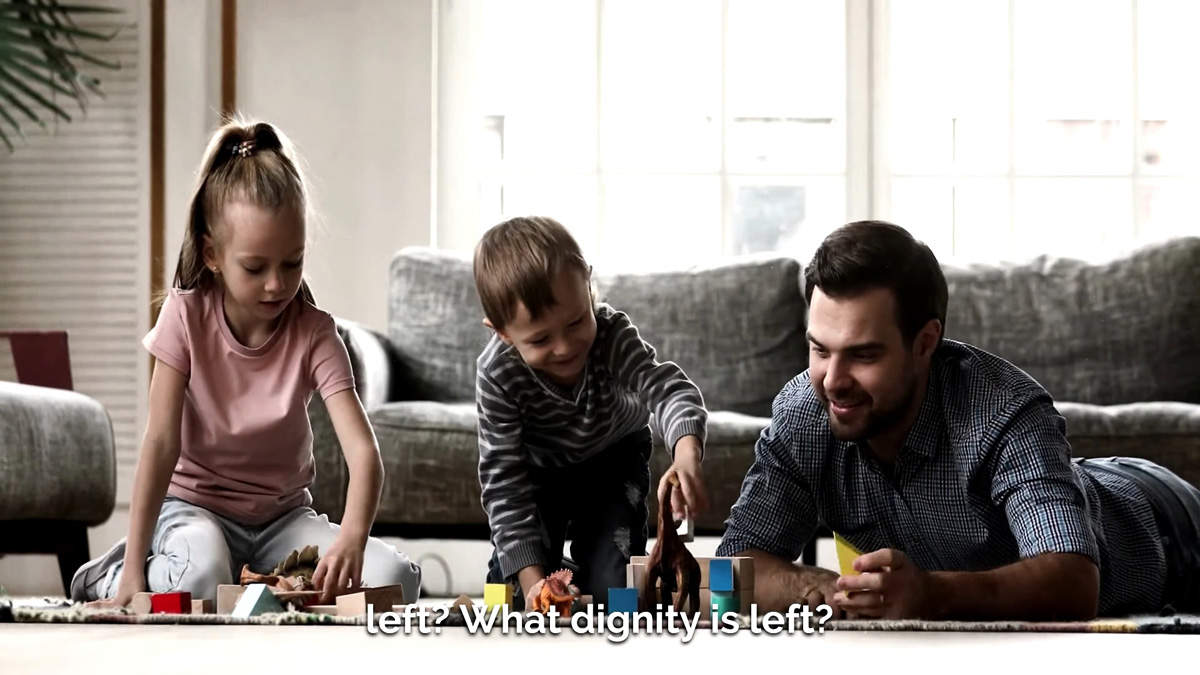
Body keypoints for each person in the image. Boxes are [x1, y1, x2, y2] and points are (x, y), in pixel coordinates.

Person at [716, 220, 1200, 621]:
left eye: (863, 355)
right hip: (1084, 483)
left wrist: (931, 595)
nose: (833, 381)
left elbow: (1073, 584)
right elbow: (726, 574)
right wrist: (814, 586)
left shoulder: (1004, 410)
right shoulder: (805, 413)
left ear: (925, 343)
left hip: (1168, 527)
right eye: (820, 350)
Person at [70, 117, 422, 607]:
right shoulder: (184, 316)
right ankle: (113, 574)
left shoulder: (316, 332)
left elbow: (364, 454)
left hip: (283, 524)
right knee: (201, 575)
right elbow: (161, 442)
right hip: (194, 512)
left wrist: (352, 538)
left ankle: (252, 585)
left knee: (396, 580)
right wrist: (133, 574)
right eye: (255, 267)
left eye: (292, 263)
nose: (277, 284)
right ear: (212, 254)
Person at [473, 215, 710, 610]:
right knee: (512, 596)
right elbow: (505, 485)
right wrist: (534, 585)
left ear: (588, 286)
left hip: (613, 459)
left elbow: (668, 389)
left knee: (614, 593)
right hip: (538, 472)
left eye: (576, 322)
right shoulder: (497, 373)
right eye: (541, 339)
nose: (565, 347)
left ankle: (588, 572)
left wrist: (686, 454)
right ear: (502, 332)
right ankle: (561, 574)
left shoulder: (611, 334)